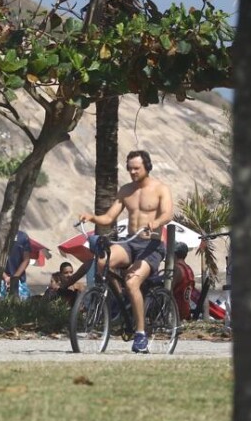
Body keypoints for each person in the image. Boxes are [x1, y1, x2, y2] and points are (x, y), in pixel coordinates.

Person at [80, 150, 173, 354]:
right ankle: (119, 300)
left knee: (132, 281)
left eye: (136, 168)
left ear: (146, 167)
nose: (132, 172)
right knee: (102, 261)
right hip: (130, 242)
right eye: (129, 168)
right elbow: (109, 217)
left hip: (152, 245)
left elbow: (168, 213)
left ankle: (140, 335)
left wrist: (155, 222)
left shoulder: (160, 189)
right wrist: (92, 218)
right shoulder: (126, 190)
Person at [0, 230, 32, 299]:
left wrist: (12, 278)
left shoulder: (23, 237)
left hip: (18, 281)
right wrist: (6, 277)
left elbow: (26, 260)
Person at [172, 242, 195, 321]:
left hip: (175, 311)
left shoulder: (177, 269)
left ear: (174, 254)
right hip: (185, 311)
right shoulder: (189, 269)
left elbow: (168, 290)